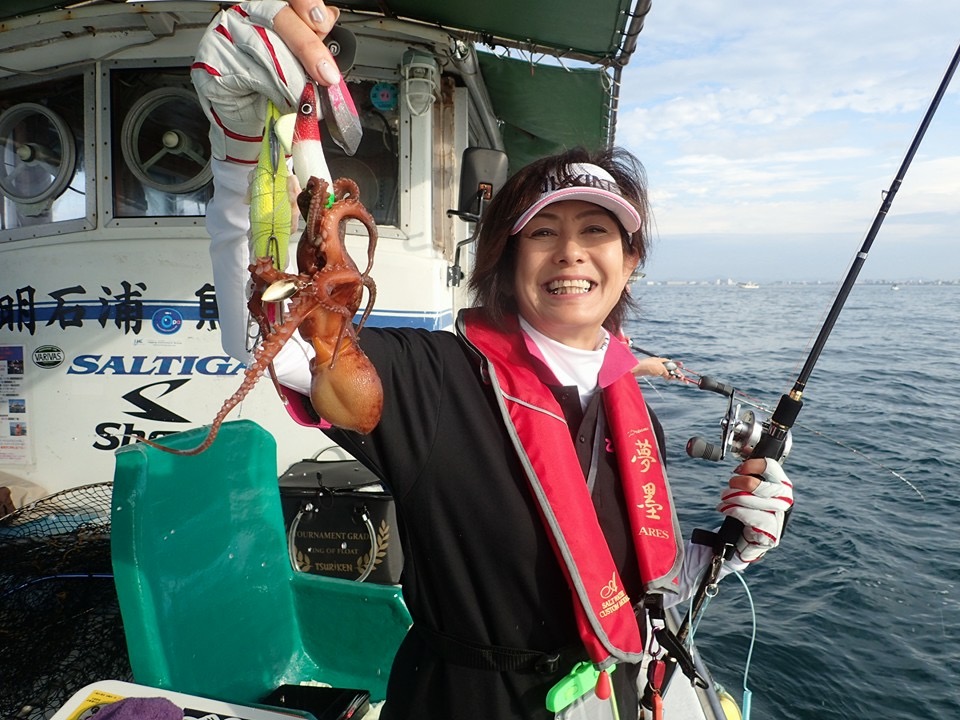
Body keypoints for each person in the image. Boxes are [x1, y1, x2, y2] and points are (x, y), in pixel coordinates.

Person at [191, 3, 794, 719]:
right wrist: (236, 150)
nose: (571, 250)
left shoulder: (633, 420)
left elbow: (635, 589)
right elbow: (274, 338)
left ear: (629, 264)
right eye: (543, 232)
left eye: (597, 230)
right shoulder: (435, 382)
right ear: (505, 266)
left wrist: (733, 547)